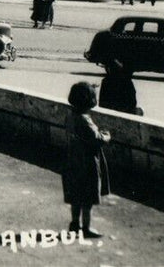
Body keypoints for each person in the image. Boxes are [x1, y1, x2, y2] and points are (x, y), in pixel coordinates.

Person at [63, 81, 111, 238]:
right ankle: (86, 228)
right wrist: (106, 135)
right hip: (87, 163)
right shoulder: (85, 119)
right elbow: (96, 139)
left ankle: (74, 224)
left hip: (72, 161)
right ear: (90, 101)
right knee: (87, 199)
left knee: (76, 197)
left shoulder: (70, 116)